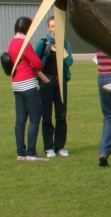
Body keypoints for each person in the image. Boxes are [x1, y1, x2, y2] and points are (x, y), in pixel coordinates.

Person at [9, 16, 50, 161]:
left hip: (16, 83)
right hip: (27, 83)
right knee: (34, 118)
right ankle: (31, 152)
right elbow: (37, 63)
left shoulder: (12, 42)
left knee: (20, 119)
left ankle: (21, 152)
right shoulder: (23, 43)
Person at [36, 16, 73, 157]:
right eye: (52, 26)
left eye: (57, 26)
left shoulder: (65, 43)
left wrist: (62, 48)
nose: (54, 29)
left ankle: (60, 147)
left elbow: (69, 62)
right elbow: (34, 63)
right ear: (48, 28)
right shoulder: (43, 43)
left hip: (60, 82)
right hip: (47, 83)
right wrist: (43, 78)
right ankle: (48, 147)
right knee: (47, 115)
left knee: (61, 115)